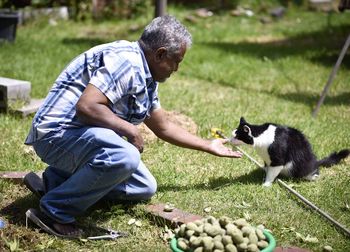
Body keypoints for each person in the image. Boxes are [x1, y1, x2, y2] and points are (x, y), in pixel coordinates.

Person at [24, 15, 242, 238]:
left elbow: (163, 127)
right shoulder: (126, 62)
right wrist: (130, 130)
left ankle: (56, 182)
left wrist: (208, 145)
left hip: (75, 136)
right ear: (160, 54)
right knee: (125, 156)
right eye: (176, 61)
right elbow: (87, 107)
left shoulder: (146, 75)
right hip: (55, 135)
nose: (176, 68)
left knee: (143, 186)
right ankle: (54, 211)